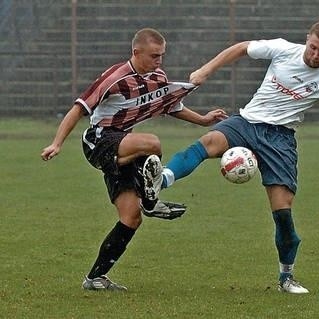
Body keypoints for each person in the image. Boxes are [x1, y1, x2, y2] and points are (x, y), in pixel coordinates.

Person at [144, 21, 319, 294]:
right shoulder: (283, 49)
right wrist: (205, 71)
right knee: (207, 143)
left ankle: (286, 278)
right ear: (307, 40)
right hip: (248, 122)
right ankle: (161, 180)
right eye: (312, 47)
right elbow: (242, 48)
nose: (315, 55)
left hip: (280, 140)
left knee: (283, 211)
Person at [41, 28, 227, 291]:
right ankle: (151, 200)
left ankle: (95, 278)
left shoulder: (157, 77)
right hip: (99, 141)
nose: (159, 61)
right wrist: (57, 143)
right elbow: (78, 109)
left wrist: (203, 120)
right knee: (151, 143)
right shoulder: (115, 77)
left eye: (162, 55)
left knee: (131, 217)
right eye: (154, 56)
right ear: (136, 52)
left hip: (124, 148)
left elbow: (171, 107)